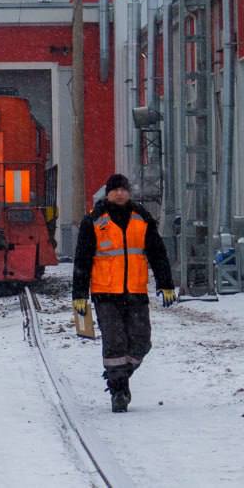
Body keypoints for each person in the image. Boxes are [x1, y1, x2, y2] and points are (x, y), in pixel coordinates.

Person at [72, 173, 176, 413]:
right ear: (108, 193)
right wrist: (79, 294)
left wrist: (165, 283)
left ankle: (117, 376)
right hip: (105, 293)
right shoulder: (94, 221)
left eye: (123, 189)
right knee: (115, 341)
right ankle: (119, 390)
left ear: (129, 193)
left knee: (142, 341)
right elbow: (82, 260)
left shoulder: (142, 219)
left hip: (136, 292)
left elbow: (157, 253)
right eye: (115, 189)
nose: (120, 193)